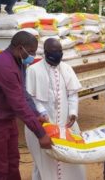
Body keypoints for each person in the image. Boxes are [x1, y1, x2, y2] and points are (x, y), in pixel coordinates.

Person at [0, 31, 52, 180]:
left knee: (13, 161)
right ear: (21, 48)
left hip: (5, 119)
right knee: (0, 168)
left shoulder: (19, 62)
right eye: (31, 51)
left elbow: (23, 92)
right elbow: (18, 103)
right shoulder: (4, 65)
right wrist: (41, 133)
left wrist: (36, 114)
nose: (32, 55)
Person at [25, 38, 85, 180]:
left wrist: (73, 113)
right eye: (54, 51)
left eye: (60, 51)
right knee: (45, 160)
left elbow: (73, 94)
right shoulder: (33, 70)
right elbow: (31, 97)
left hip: (65, 123)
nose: (58, 54)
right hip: (43, 124)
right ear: (45, 52)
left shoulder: (67, 68)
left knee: (70, 158)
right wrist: (42, 111)